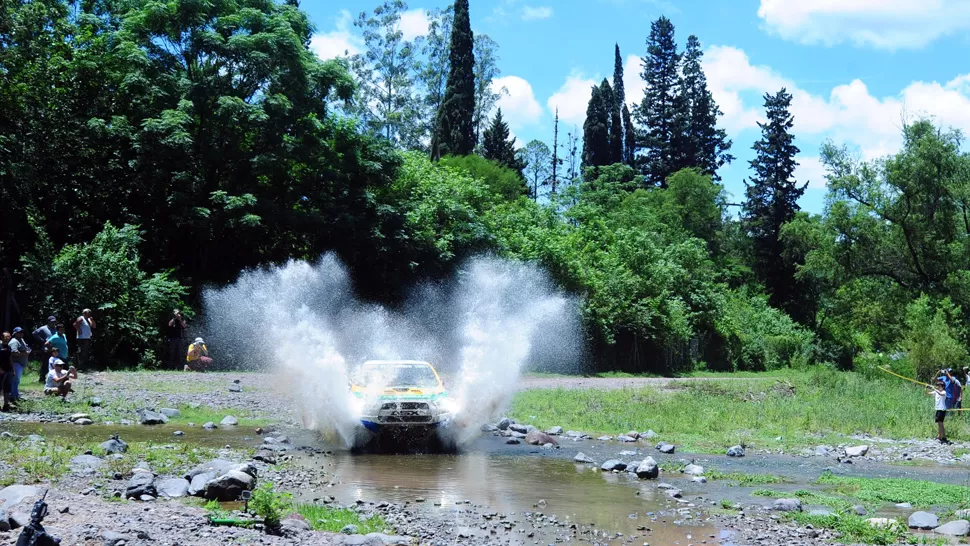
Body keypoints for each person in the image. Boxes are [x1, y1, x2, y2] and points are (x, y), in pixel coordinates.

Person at [32, 316, 57, 383]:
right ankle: (42, 378)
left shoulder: (56, 328)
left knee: (55, 363)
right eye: (52, 322)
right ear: (48, 322)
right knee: (45, 363)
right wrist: (42, 340)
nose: (53, 323)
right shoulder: (43, 328)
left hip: (55, 348)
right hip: (46, 348)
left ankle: (53, 378)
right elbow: (34, 333)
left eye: (54, 322)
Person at [8, 327, 29, 403]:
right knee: (15, 380)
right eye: (19, 332)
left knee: (17, 380)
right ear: (15, 333)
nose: (21, 334)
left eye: (22, 332)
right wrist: (25, 353)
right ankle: (13, 396)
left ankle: (15, 394)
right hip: (16, 364)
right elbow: (13, 352)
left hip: (20, 364)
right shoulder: (14, 341)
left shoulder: (21, 340)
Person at [0, 332, 12, 412]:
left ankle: (6, 405)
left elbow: (10, 358)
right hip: (1, 370)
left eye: (9, 336)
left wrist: (13, 369)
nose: (8, 338)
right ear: (2, 337)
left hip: (8, 369)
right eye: (6, 336)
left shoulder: (8, 347)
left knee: (7, 388)